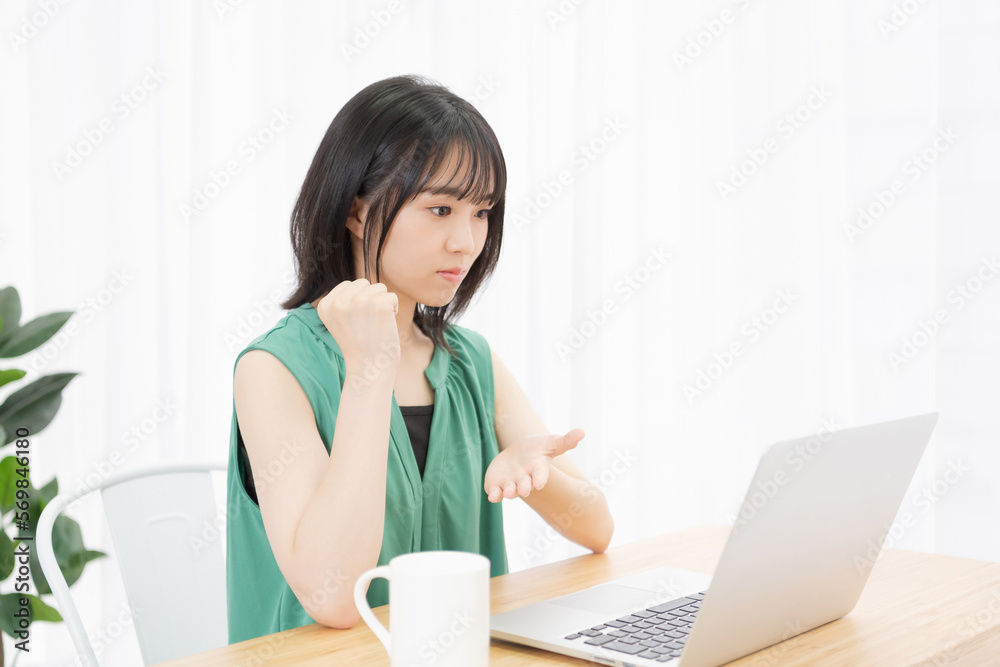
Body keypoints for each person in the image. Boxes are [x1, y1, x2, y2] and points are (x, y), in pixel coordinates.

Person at [225, 74, 614, 644]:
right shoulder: (273, 368)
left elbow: (598, 529)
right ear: (356, 212)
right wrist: (368, 373)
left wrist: (536, 477)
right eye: (440, 209)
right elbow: (334, 596)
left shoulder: (469, 360)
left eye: (481, 212)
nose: (467, 241)